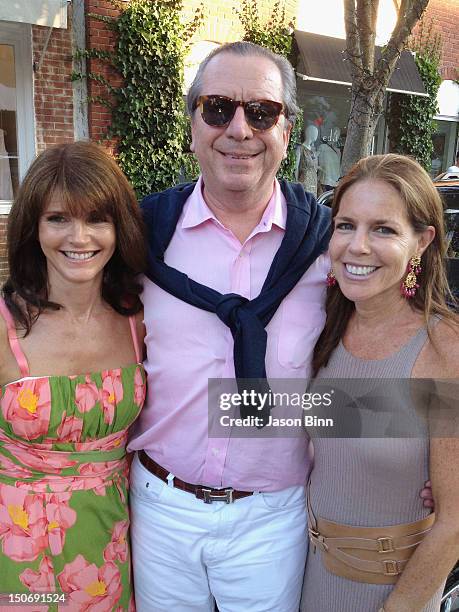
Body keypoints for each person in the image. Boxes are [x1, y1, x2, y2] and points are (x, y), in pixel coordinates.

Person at [127, 41, 331, 612]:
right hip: (160, 507)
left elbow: (388, 359)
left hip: (271, 520)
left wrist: (423, 454)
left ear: (286, 131)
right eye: (218, 108)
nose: (239, 129)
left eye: (262, 112)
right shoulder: (141, 235)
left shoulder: (330, 248)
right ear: (192, 124)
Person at [301, 154, 459, 611]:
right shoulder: (322, 324)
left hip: (392, 597)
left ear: (422, 241)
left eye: (384, 229)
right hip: (308, 579)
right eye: (346, 225)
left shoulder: (443, 349)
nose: (358, 246)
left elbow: (453, 522)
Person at [0, 141, 147, 610]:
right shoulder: (3, 325)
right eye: (58, 218)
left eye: (96, 219)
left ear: (117, 227)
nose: (78, 237)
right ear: (33, 227)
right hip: (17, 544)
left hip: (112, 538)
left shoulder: (140, 320)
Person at [296, 124, 319, 196]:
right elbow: (296, 168)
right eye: (316, 133)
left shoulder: (313, 151)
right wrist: (296, 182)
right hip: (304, 183)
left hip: (314, 183)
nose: (317, 135)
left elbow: (314, 167)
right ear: (310, 133)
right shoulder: (300, 149)